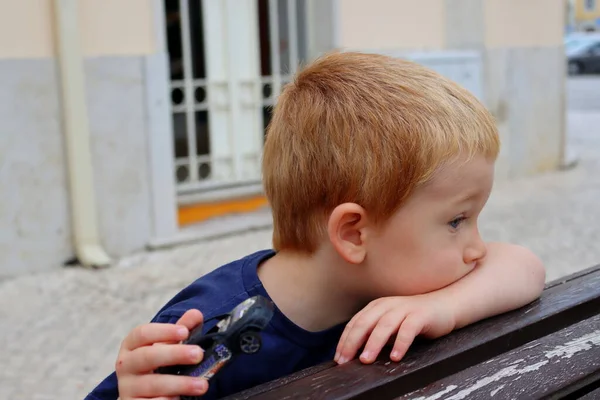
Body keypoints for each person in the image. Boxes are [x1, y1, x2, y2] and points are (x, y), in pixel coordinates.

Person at [86, 52, 546, 400]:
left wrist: (448, 306)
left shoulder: (401, 276)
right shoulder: (207, 332)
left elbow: (523, 267)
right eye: (457, 221)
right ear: (353, 233)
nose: (477, 249)